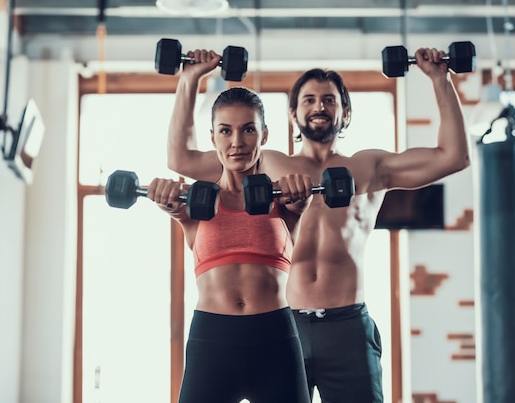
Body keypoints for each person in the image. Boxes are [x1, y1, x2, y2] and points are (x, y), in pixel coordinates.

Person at [167, 48, 470, 403]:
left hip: (347, 325)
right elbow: (181, 158)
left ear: (346, 111)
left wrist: (440, 78)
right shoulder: (265, 164)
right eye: (309, 99)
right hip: (283, 325)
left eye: (329, 99)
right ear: (293, 114)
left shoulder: (369, 168)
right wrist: (189, 79)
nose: (319, 106)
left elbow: (454, 157)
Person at [149, 86, 314, 403]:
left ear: (263, 135)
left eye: (248, 129)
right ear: (213, 139)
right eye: (226, 131)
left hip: (274, 341)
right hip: (213, 343)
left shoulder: (284, 198)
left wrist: (300, 190)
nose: (236, 142)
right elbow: (174, 208)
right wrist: (164, 197)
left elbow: (299, 204)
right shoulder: (196, 203)